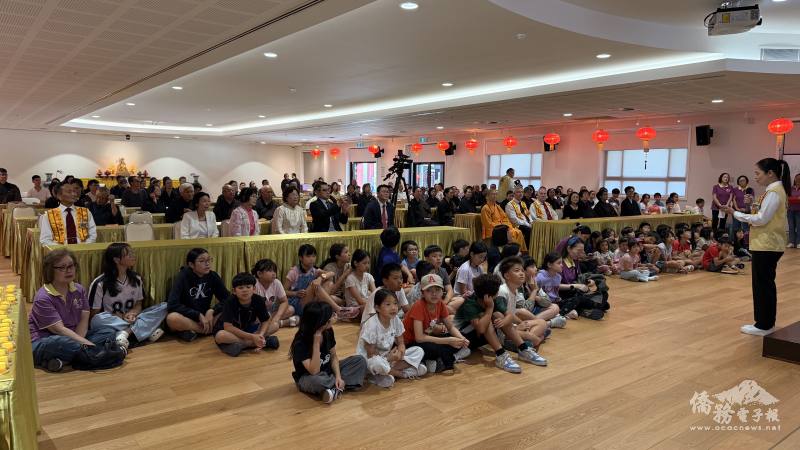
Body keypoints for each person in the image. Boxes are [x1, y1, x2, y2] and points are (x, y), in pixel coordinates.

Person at [720, 158, 791, 336]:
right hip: (767, 243)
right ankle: (765, 322)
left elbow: (761, 219)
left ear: (770, 173)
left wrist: (735, 213)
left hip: (767, 244)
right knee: (764, 284)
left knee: (763, 285)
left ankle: (764, 325)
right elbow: (762, 213)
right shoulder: (773, 191)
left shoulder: (774, 192)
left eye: (758, 173)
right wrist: (751, 204)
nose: (755, 177)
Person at [29, 249, 125, 372]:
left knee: (108, 332)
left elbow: (84, 319)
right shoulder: (43, 297)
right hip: (46, 340)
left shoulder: (79, 290)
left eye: (71, 266)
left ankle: (63, 360)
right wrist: (88, 345)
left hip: (74, 336)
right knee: (62, 342)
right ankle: (92, 355)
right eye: (62, 267)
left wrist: (81, 343)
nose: (68, 270)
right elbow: (59, 330)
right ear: (50, 271)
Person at [454, 274, 547, 373]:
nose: (498, 292)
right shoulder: (470, 303)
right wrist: (490, 308)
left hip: (481, 338)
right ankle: (501, 354)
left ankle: (523, 349)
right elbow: (481, 329)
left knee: (498, 315)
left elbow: (510, 315)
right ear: (488, 295)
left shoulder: (495, 299)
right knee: (486, 318)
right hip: (464, 338)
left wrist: (504, 321)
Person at [89, 243, 167, 350]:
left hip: (133, 318)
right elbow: (94, 314)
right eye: (128, 254)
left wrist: (132, 313)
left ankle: (125, 333)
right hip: (113, 320)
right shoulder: (100, 283)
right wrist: (121, 316)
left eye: (132, 253)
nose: (133, 256)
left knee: (164, 306)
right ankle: (144, 331)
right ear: (116, 260)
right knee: (97, 319)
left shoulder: (136, 279)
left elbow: (139, 304)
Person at [290, 302, 367, 403]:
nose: (334, 316)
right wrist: (316, 343)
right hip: (309, 377)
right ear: (322, 322)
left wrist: (338, 376)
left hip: (328, 371)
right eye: (331, 315)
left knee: (360, 361)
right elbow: (314, 371)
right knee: (318, 381)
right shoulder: (300, 342)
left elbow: (333, 357)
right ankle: (337, 387)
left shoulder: (328, 331)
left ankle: (333, 388)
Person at [357, 289, 426, 387]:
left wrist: (400, 352)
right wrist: (388, 358)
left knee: (419, 350)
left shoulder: (395, 319)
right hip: (370, 361)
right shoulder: (371, 325)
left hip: (389, 359)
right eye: (388, 304)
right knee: (377, 363)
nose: (393, 308)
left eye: (395, 303)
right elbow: (371, 354)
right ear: (377, 308)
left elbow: (401, 342)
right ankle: (402, 374)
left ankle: (386, 373)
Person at [402, 274, 469, 374]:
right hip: (409, 343)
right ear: (422, 293)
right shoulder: (418, 306)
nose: (434, 294)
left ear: (442, 291)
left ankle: (434, 360)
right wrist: (448, 341)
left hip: (426, 337)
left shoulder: (440, 304)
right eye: (429, 290)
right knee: (437, 347)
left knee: (460, 337)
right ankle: (440, 359)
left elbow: (450, 327)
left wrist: (462, 339)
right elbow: (419, 338)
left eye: (437, 290)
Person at [166, 248, 230, 341]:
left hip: (207, 317)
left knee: (231, 308)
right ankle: (207, 330)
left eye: (209, 260)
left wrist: (212, 310)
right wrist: (197, 315)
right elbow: (172, 305)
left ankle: (194, 331)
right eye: (202, 261)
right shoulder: (183, 276)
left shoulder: (213, 276)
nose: (207, 264)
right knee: (172, 318)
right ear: (191, 264)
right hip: (188, 318)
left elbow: (228, 299)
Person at [213, 272, 280, 357]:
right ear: (234, 291)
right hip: (230, 331)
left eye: (248, 287)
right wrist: (252, 337)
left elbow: (265, 321)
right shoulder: (229, 302)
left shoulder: (258, 300)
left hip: (248, 329)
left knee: (275, 325)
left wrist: (260, 335)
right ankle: (258, 343)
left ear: (254, 289)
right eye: (240, 288)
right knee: (220, 336)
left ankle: (243, 345)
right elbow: (228, 327)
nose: (245, 290)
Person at [285, 244, 345, 317]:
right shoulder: (294, 272)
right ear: (300, 258)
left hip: (311, 302)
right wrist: (295, 293)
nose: (312, 259)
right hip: (298, 303)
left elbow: (332, 273)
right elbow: (284, 292)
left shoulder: (314, 270)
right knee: (314, 285)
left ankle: (319, 312)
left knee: (329, 284)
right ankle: (338, 309)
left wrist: (320, 278)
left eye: (313, 256)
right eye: (308, 256)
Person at [252, 258, 296, 327]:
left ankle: (273, 323)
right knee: (254, 319)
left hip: (271, 313)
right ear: (259, 274)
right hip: (258, 315)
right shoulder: (254, 284)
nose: (274, 273)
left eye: (274, 271)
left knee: (291, 309)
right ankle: (282, 323)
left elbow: (284, 301)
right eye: (270, 270)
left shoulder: (276, 282)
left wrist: (276, 318)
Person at [789, 174, 800, 248]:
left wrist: (793, 199)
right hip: (790, 210)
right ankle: (791, 242)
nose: (798, 179)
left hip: (799, 211)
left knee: (799, 227)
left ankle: (799, 242)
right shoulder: (791, 188)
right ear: (795, 179)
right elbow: (787, 198)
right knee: (791, 226)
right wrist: (796, 198)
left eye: (799, 178)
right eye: (797, 178)